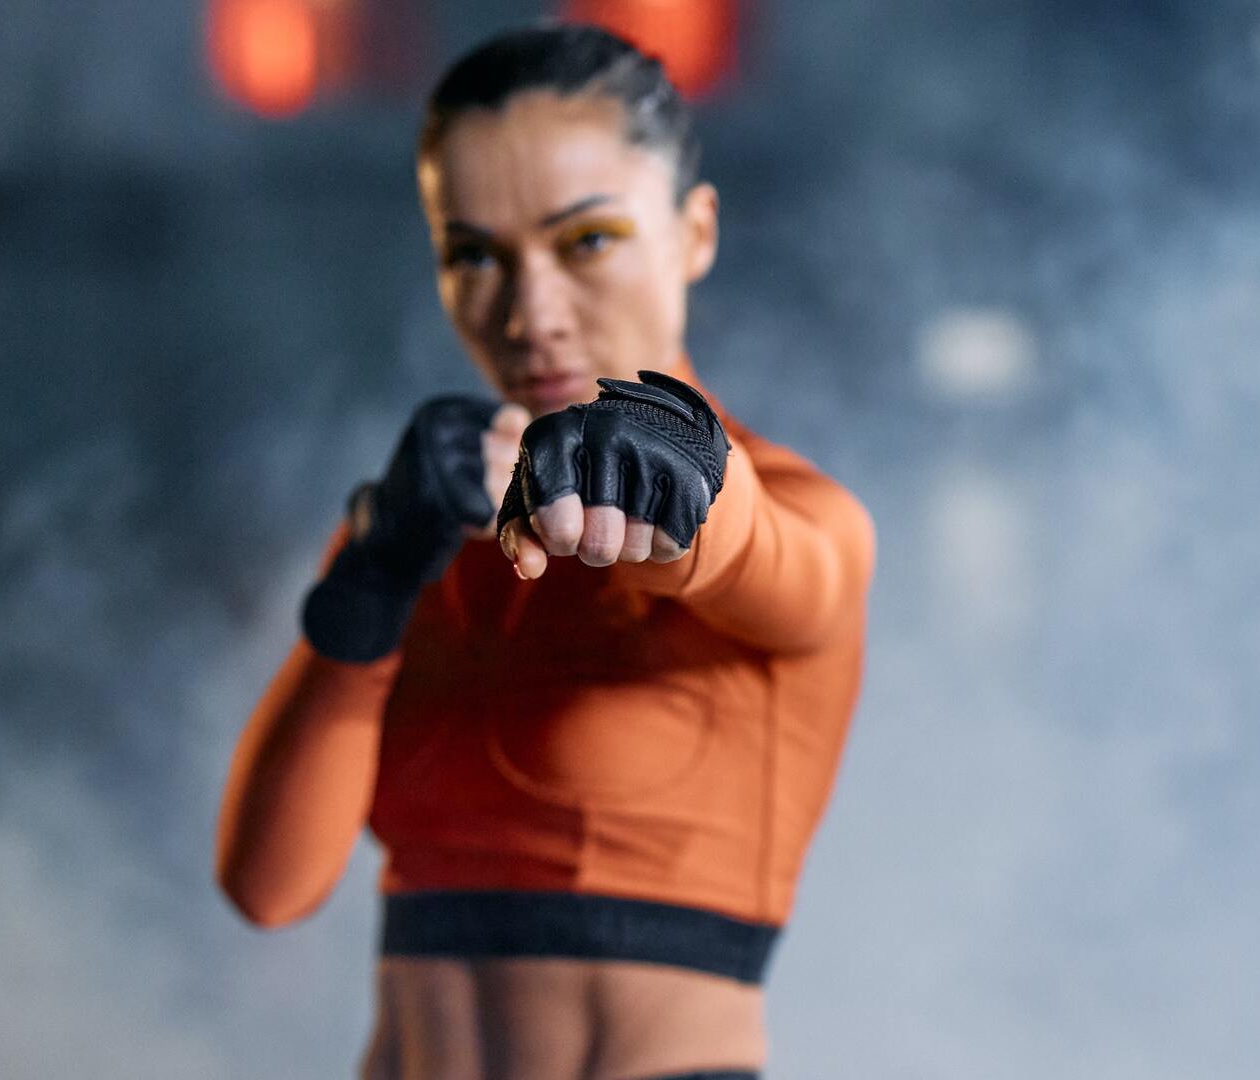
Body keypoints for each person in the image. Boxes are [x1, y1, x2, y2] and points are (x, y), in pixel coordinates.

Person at [215, 23, 876, 1080]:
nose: (531, 315)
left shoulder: (796, 514)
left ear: (693, 234)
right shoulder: (423, 524)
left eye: (588, 241)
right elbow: (269, 889)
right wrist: (373, 573)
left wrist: (686, 475)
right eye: (474, 255)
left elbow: (776, 566)